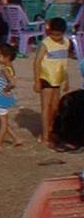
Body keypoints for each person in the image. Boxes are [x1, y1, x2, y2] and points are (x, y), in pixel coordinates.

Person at [32, 17, 77, 145]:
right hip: (46, 78)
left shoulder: (66, 43)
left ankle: (51, 129)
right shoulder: (46, 43)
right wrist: (36, 81)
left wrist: (66, 79)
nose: (55, 37)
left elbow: (64, 63)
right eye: (52, 34)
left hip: (58, 79)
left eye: (58, 35)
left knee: (55, 108)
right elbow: (37, 62)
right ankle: (45, 135)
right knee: (46, 107)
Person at [0, 41, 23, 150]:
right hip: (3, 96)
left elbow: (12, 82)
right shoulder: (10, 67)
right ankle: (16, 138)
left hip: (1, 96)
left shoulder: (5, 69)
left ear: (7, 57)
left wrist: (5, 89)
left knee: (3, 122)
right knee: (0, 118)